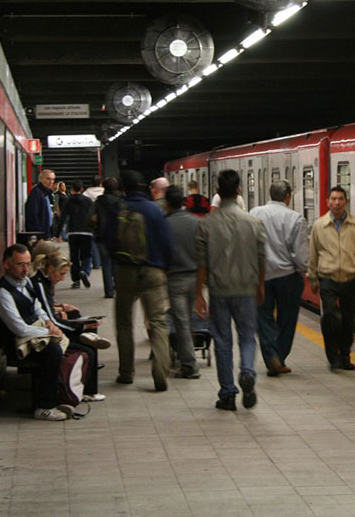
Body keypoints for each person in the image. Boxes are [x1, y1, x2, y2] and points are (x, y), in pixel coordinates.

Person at [195, 170, 266, 411]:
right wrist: (260, 286)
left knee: (222, 341)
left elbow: (202, 264)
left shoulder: (207, 224)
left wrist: (198, 295)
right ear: (239, 191)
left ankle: (227, 393)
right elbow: (261, 259)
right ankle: (247, 371)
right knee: (247, 336)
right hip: (246, 289)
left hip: (219, 292)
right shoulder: (253, 222)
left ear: (217, 191)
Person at [108, 170, 173, 391]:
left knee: (124, 322)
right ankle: (160, 371)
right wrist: (165, 268)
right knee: (157, 322)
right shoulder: (154, 210)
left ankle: (126, 373)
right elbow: (166, 243)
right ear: (144, 187)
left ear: (123, 187)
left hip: (126, 271)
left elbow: (108, 240)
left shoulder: (118, 209)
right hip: (153, 271)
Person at [0, 244, 67, 421]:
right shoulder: (2, 293)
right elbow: (18, 328)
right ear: (7, 265)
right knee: (52, 351)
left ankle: (63, 394)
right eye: (20, 264)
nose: (25, 269)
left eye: (28, 264)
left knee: (67, 344)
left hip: (35, 335)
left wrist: (49, 322)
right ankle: (44, 407)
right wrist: (47, 331)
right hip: (17, 344)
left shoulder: (25, 283)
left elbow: (37, 307)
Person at [308, 186, 355, 371]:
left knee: (347, 320)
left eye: (340, 199)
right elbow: (313, 254)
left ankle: (345, 354)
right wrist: (313, 277)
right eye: (333, 199)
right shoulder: (319, 226)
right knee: (331, 316)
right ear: (327, 202)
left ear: (345, 202)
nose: (337, 202)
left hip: (350, 278)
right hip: (327, 278)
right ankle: (333, 356)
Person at [31, 252, 107, 402]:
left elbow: (47, 309)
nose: (62, 278)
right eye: (61, 274)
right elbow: (49, 317)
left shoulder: (43, 281)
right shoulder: (40, 284)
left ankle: (88, 383)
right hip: (47, 330)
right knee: (88, 344)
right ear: (51, 269)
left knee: (82, 322)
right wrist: (80, 327)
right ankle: (88, 389)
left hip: (49, 324)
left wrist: (62, 309)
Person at [250, 180, 308, 376]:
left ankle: (270, 355)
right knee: (287, 318)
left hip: (261, 276)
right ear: (287, 196)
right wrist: (304, 270)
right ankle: (279, 356)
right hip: (288, 277)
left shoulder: (254, 213)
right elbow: (299, 255)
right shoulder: (296, 218)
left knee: (263, 317)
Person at [164, 185, 201, 380]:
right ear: (184, 201)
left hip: (176, 279)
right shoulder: (196, 222)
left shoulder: (165, 224)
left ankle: (189, 365)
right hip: (195, 278)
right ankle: (187, 358)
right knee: (188, 319)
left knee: (182, 322)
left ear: (167, 203)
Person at [58, 180, 94, 289]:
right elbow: (93, 216)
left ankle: (76, 280)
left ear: (71, 189)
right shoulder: (88, 201)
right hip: (86, 231)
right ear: (82, 189)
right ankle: (84, 271)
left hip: (73, 231)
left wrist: (57, 232)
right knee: (86, 255)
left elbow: (63, 217)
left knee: (74, 256)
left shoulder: (68, 201)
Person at [91, 177, 122, 298]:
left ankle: (109, 291)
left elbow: (92, 218)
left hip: (102, 235)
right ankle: (118, 288)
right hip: (117, 236)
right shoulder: (120, 201)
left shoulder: (98, 202)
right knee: (116, 263)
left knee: (106, 264)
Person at [24, 169, 56, 240]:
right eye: (48, 179)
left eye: (53, 179)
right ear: (41, 179)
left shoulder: (46, 193)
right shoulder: (36, 193)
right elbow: (32, 214)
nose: (51, 182)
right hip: (40, 234)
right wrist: (38, 233)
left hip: (46, 232)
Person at [83, 175, 105, 269]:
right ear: (100, 183)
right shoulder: (104, 192)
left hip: (91, 221)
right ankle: (103, 260)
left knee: (92, 242)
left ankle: (96, 262)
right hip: (103, 219)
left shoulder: (85, 194)